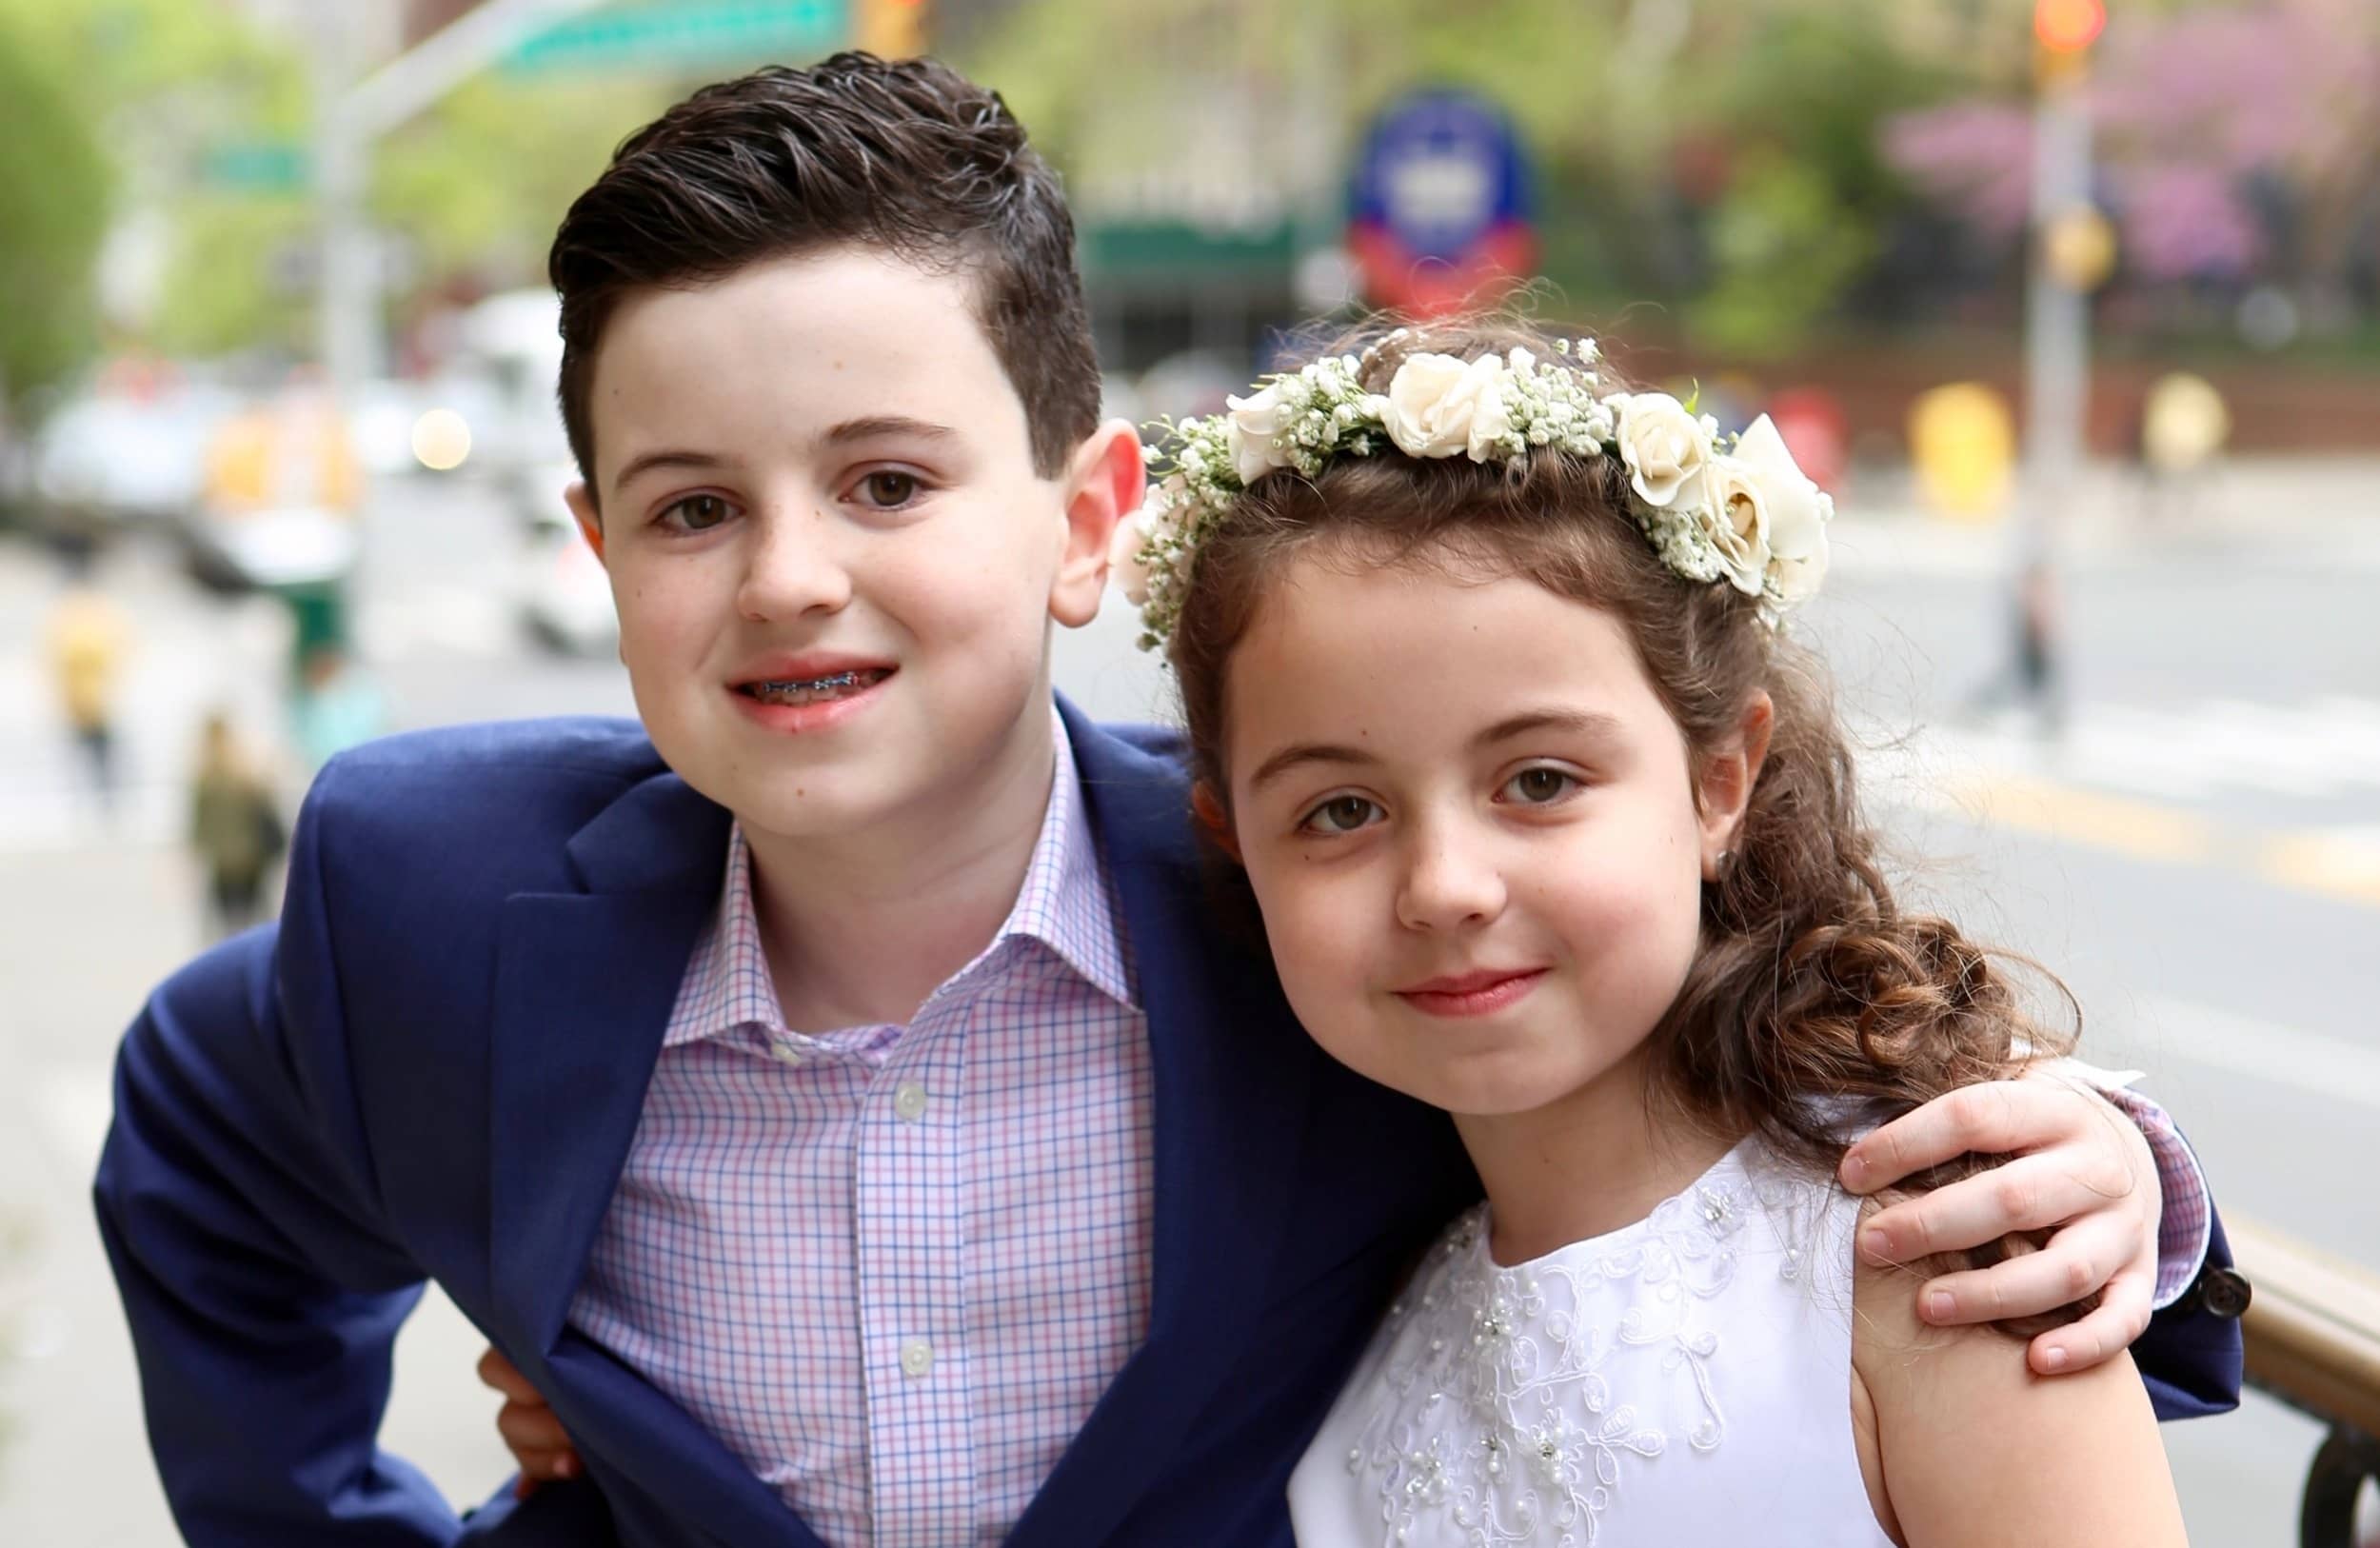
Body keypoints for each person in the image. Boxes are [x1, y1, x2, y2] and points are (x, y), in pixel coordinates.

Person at [95, 56, 2237, 1548]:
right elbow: (200, 1147)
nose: (789, 577)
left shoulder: (1309, 932)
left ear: (1081, 518)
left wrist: (2124, 1172)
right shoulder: (434, 891)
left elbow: (1683, 1111)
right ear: (595, 553)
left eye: (886, 480)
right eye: (687, 510)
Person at [1122, 321, 2188, 1542]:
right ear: (1232, 842)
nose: (1445, 887)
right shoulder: (1359, 1301)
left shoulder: (1930, 1265)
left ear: (1717, 780)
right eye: (1341, 811)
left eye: (1537, 781)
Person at [46, 542, 129, 816]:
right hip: (80, 699)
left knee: (100, 754)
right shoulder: (70, 615)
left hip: (95, 699)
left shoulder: (89, 613)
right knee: (86, 754)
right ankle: (91, 800)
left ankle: (105, 799)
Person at [188, 711, 287, 941]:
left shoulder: (204, 778)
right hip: (251, 858)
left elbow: (198, 824)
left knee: (229, 925)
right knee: (258, 921)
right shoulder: (246, 773)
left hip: (224, 861)